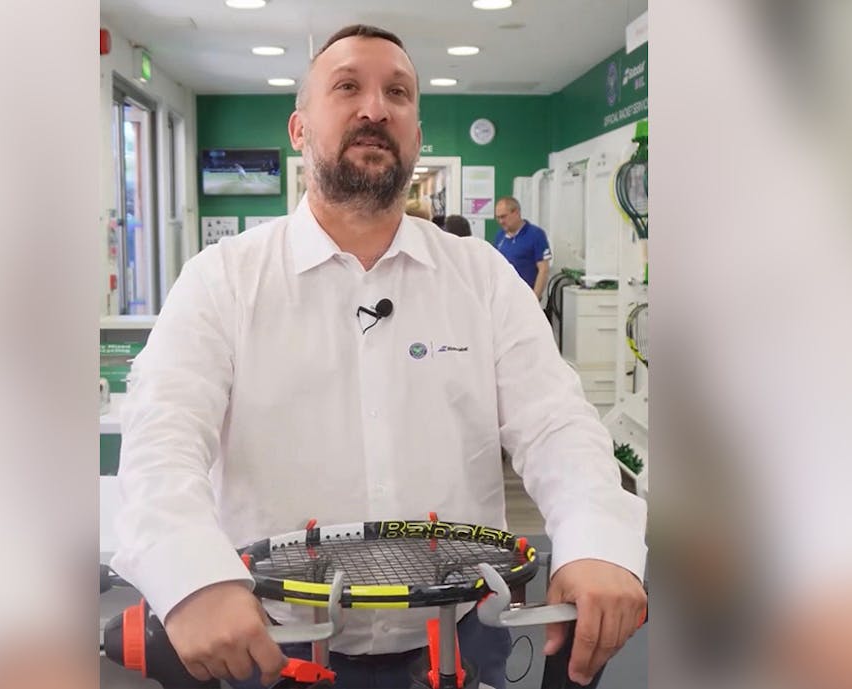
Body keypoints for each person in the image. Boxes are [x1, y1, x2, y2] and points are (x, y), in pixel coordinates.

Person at [112, 24, 647, 689]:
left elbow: (557, 424)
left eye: (397, 92)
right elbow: (161, 439)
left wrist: (597, 540)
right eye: (347, 87)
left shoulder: (480, 277)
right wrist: (193, 576)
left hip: (461, 638)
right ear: (299, 129)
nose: (375, 108)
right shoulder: (223, 279)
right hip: (276, 645)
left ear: (417, 135)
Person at [492, 197, 552, 300]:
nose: (501, 221)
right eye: (498, 218)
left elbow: (543, 269)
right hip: (503, 298)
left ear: (516, 213)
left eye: (503, 217)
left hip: (525, 297)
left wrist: (534, 299)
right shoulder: (499, 236)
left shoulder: (536, 234)